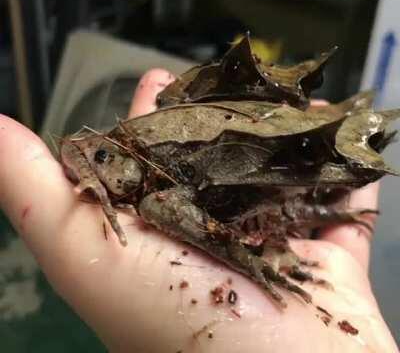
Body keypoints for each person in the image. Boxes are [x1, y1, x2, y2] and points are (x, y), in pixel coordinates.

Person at [0, 69, 397, 352]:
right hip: (148, 153)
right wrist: (243, 259)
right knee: (128, 180)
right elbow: (159, 202)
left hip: (215, 153)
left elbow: (283, 209)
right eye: (308, 153)